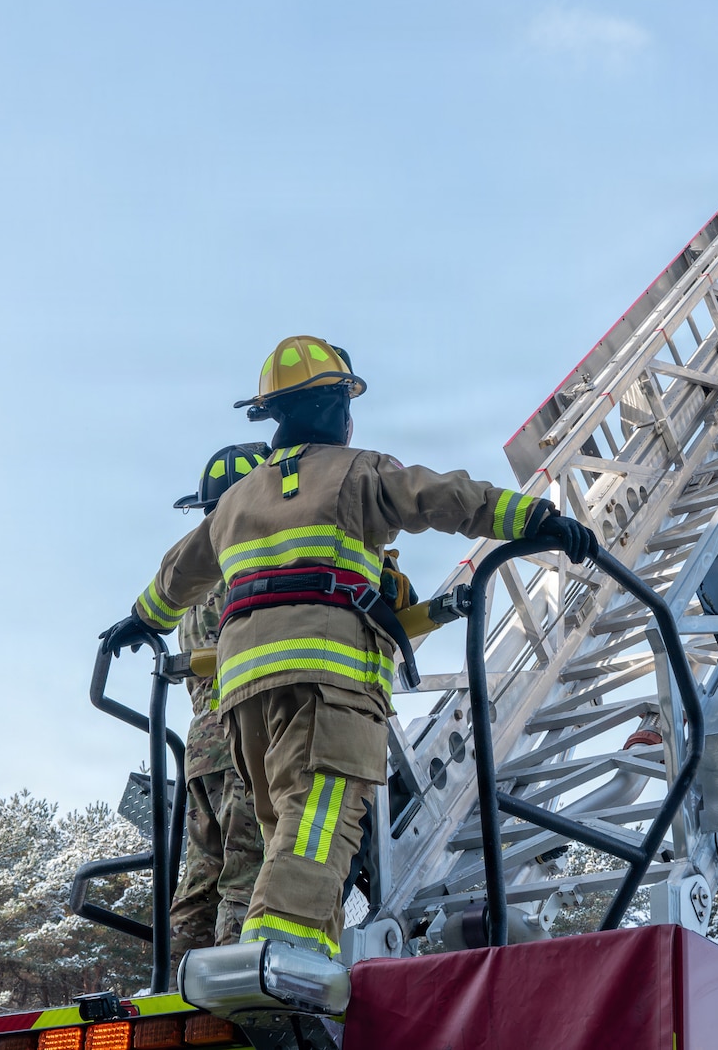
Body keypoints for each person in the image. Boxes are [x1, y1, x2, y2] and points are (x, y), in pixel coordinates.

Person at [117, 335, 598, 961]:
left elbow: (179, 572)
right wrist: (535, 521)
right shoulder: (357, 471)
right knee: (321, 821)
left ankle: (278, 955)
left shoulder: (235, 501)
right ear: (331, 408)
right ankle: (278, 962)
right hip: (330, 678)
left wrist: (138, 620)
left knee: (282, 825)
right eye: (346, 400)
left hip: (243, 696)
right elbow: (444, 497)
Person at [165, 442, 271, 956]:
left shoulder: (193, 581)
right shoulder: (247, 567)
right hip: (244, 732)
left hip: (201, 745)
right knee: (245, 870)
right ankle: (233, 983)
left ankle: (182, 982)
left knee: (202, 875)